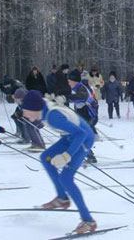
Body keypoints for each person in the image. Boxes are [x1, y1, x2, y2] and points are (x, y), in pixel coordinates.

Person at [21, 90, 97, 234]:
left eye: (26, 111)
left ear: (34, 108)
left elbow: (82, 134)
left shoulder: (53, 117)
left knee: (66, 178)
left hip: (83, 139)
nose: (25, 115)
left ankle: (88, 221)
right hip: (70, 137)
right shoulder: (43, 109)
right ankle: (62, 198)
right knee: (45, 158)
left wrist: (66, 156)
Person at [66, 70, 98, 163]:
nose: (68, 82)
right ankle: (87, 154)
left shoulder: (81, 88)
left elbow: (81, 97)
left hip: (89, 115)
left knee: (81, 135)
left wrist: (66, 98)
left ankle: (89, 156)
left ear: (74, 81)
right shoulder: (77, 88)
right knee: (79, 135)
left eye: (69, 80)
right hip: (84, 115)